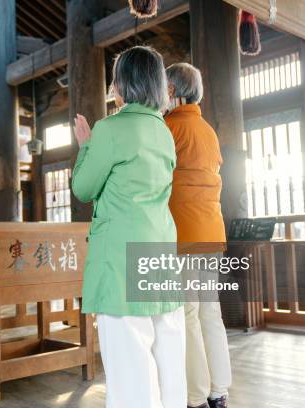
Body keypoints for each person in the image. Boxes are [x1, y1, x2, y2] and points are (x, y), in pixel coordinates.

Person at [72, 45, 185, 408]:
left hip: (121, 261)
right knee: (169, 363)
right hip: (161, 252)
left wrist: (86, 147)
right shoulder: (163, 131)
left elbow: (83, 188)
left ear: (121, 84)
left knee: (130, 371)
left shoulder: (110, 129)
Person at [164, 63, 232, 408]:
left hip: (185, 232)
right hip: (212, 231)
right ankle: (219, 390)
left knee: (188, 312)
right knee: (210, 311)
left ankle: (194, 396)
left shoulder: (168, 127)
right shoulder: (208, 130)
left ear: (172, 92)